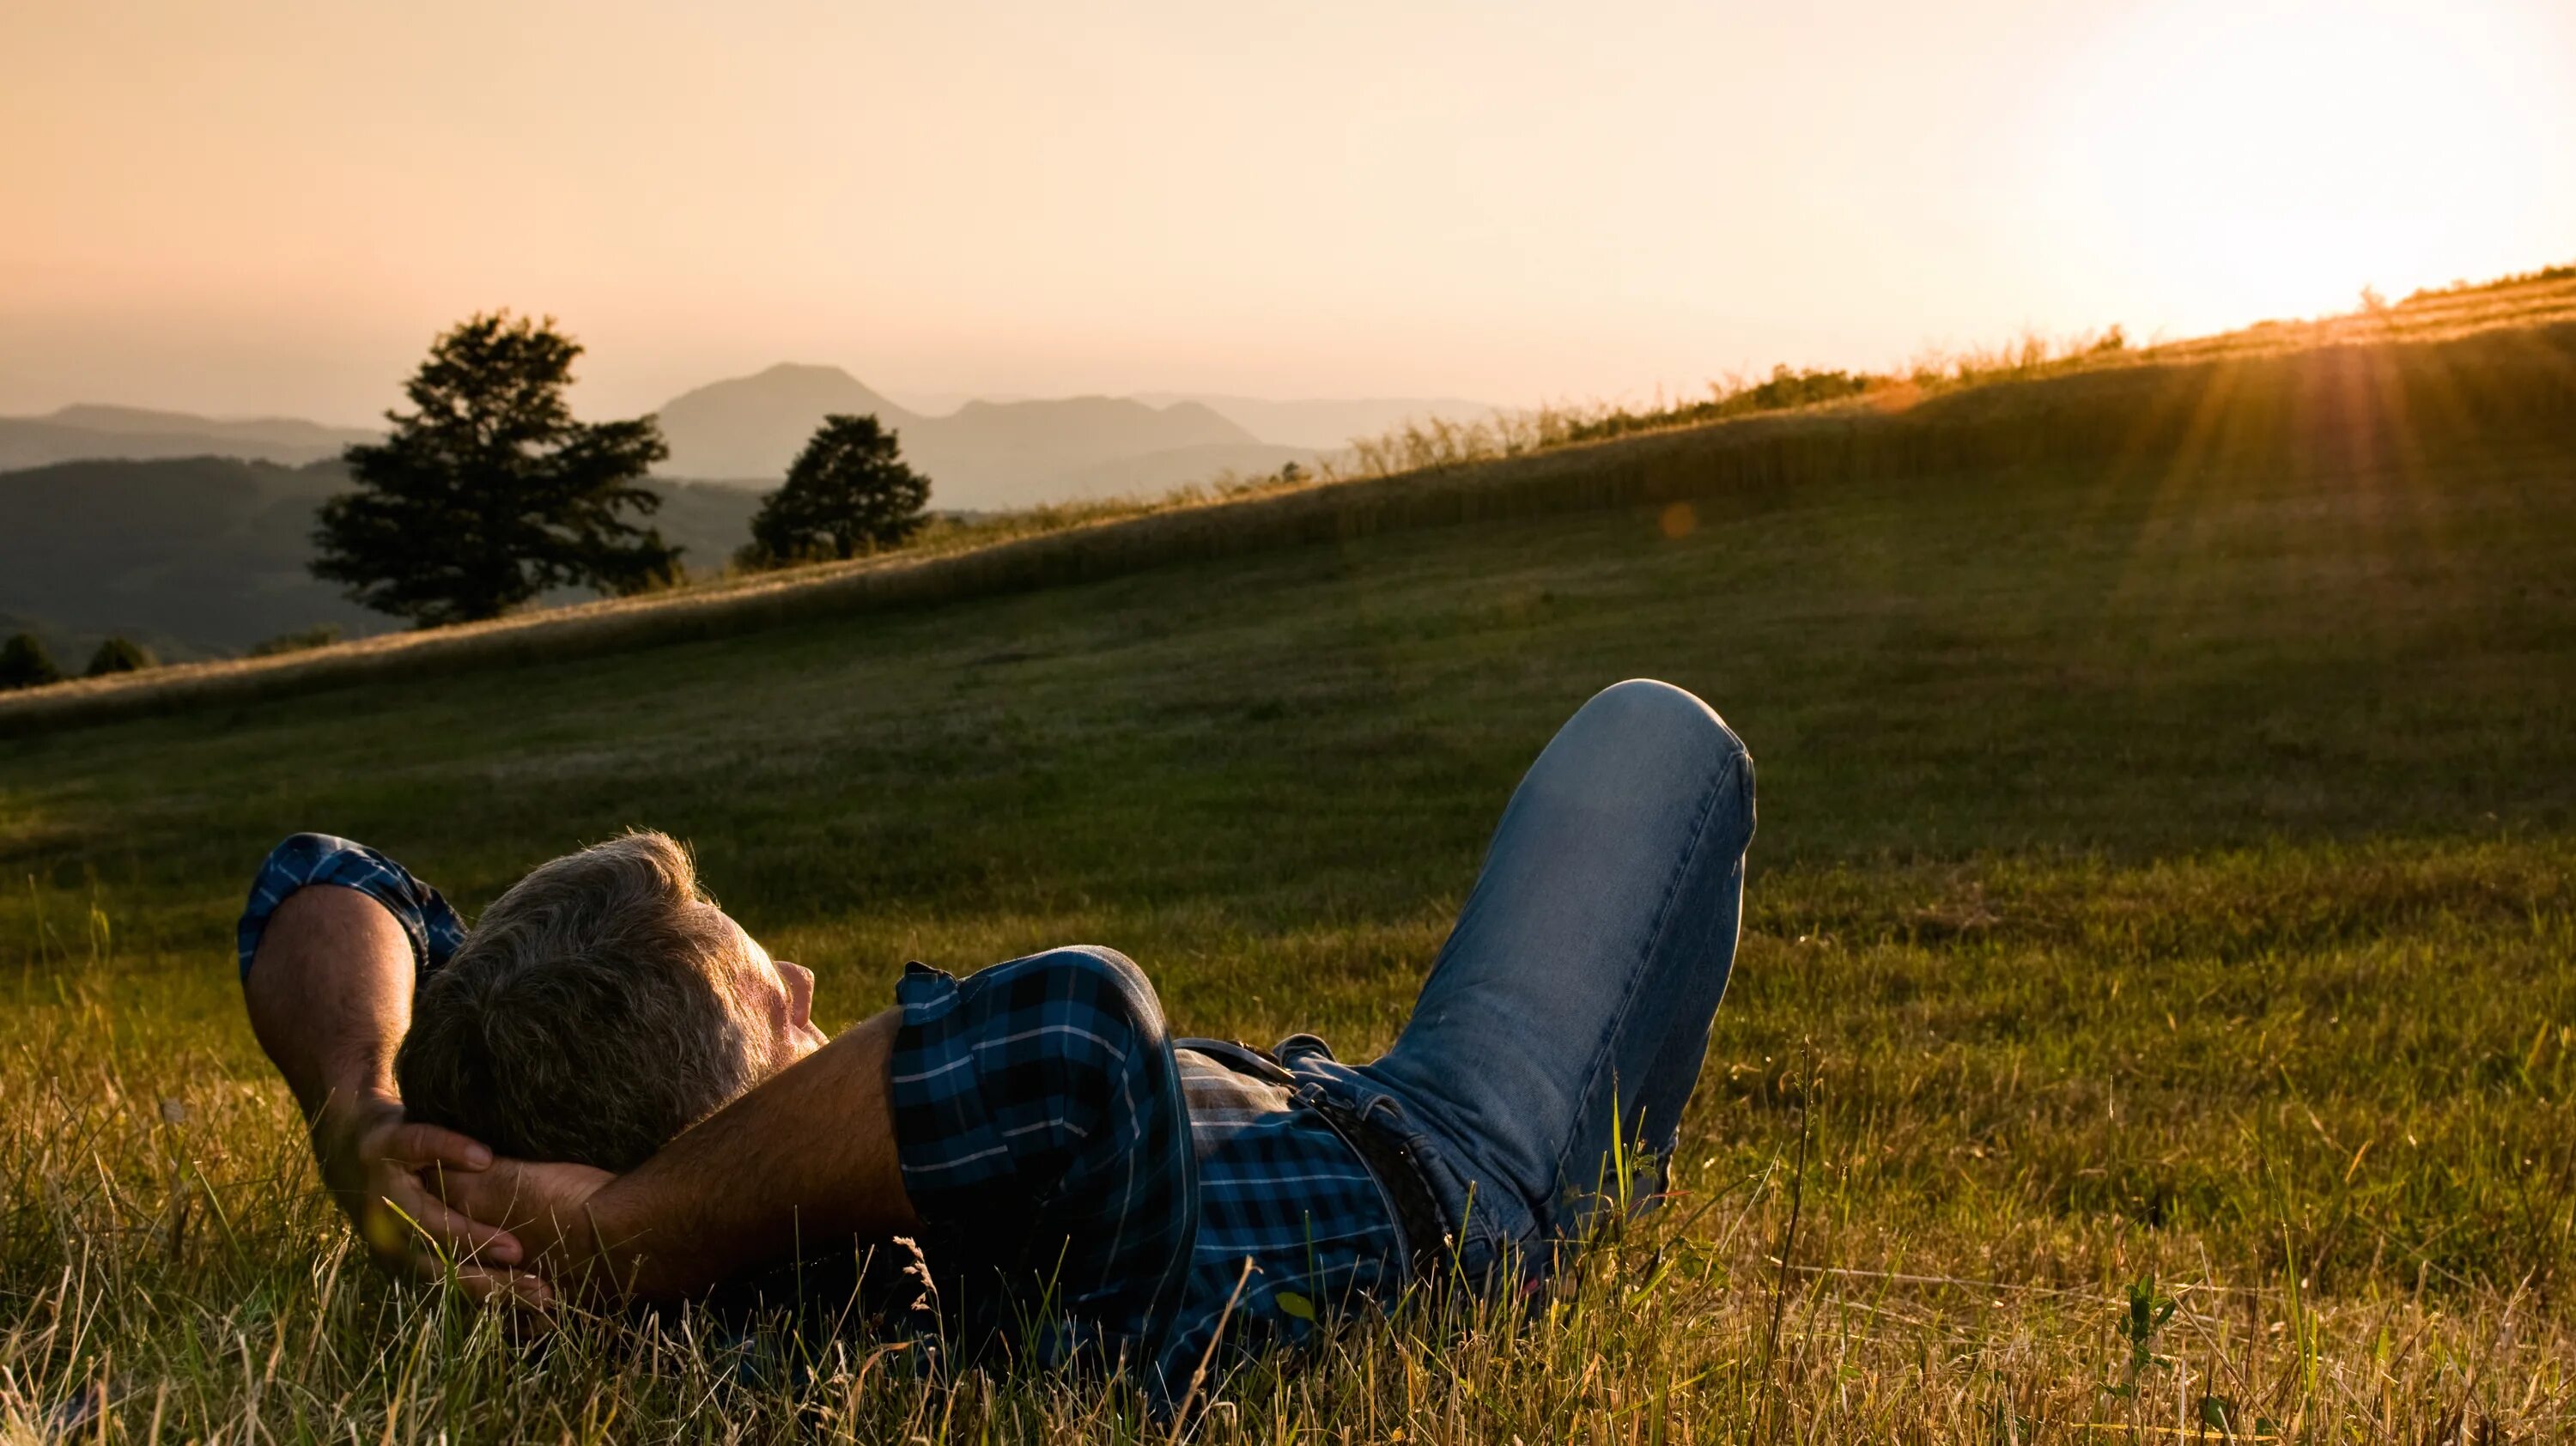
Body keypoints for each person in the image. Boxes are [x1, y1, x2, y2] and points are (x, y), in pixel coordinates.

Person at [240, 678, 1755, 1400]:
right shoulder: (906, 1311)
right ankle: (1596, 1197)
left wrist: (359, 1112)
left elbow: (319, 877)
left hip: (1303, 1090)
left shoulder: (511, 1107)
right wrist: (636, 1233)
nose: (818, 988)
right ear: (734, 1138)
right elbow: (1081, 1025)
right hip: (1453, 1168)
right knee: (1656, 739)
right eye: (787, 1007)